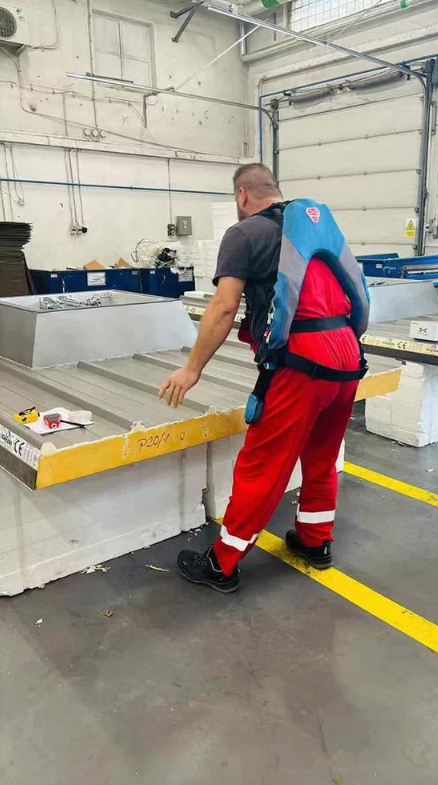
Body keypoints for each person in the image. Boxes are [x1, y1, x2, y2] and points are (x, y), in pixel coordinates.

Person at [158, 164, 368, 593]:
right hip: (348, 353)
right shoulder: (312, 226)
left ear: (241, 195)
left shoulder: (244, 233)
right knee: (321, 454)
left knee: (262, 463)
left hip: (301, 360)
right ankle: (314, 541)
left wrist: (192, 368)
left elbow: (223, 307)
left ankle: (221, 563)